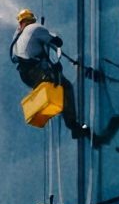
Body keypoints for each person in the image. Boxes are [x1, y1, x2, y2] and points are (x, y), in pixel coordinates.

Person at [10, 9, 89, 139]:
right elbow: (57, 41)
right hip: (37, 70)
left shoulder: (17, 37)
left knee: (49, 88)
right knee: (65, 86)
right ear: (32, 20)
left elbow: (15, 58)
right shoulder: (35, 28)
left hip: (26, 76)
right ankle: (74, 126)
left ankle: (53, 107)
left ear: (20, 23)